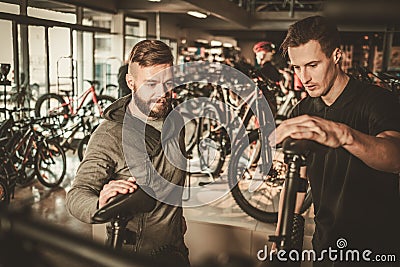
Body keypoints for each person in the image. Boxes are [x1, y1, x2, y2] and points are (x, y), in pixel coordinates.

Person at [269, 16, 400, 266]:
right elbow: (297, 179)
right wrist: (280, 238)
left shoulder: (377, 101)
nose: (303, 77)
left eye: (313, 65)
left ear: (336, 55)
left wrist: (344, 135)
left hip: (379, 247)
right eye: (297, 68)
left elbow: (395, 158)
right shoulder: (303, 110)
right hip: (326, 244)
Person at [66, 40, 190, 266]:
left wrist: (173, 220)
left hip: (175, 252)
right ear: (130, 82)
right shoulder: (110, 135)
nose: (163, 93)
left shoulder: (175, 120)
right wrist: (99, 203)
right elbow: (77, 195)